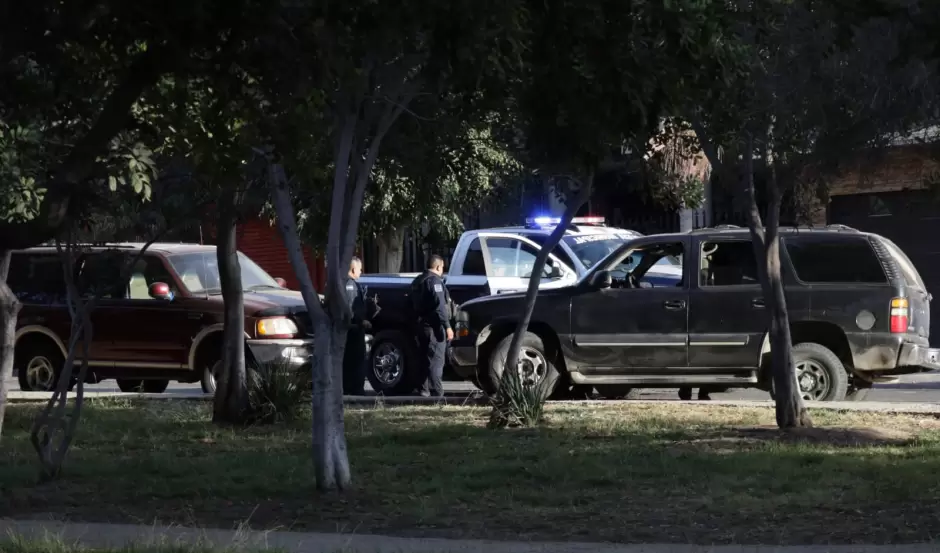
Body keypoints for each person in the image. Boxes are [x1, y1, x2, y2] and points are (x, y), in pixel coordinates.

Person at [410, 254, 453, 397]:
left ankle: (424, 390)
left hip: (420, 325)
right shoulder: (434, 282)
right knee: (436, 359)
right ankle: (438, 393)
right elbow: (440, 306)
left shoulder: (418, 281)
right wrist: (447, 326)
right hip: (434, 327)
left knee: (423, 358)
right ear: (438, 266)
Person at [342, 256, 368, 396]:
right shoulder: (351, 285)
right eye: (359, 269)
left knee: (348, 361)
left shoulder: (343, 282)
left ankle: (348, 388)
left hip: (346, 329)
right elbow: (352, 308)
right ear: (353, 269)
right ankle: (356, 390)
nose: (361, 271)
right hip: (353, 330)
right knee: (357, 360)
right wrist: (361, 321)